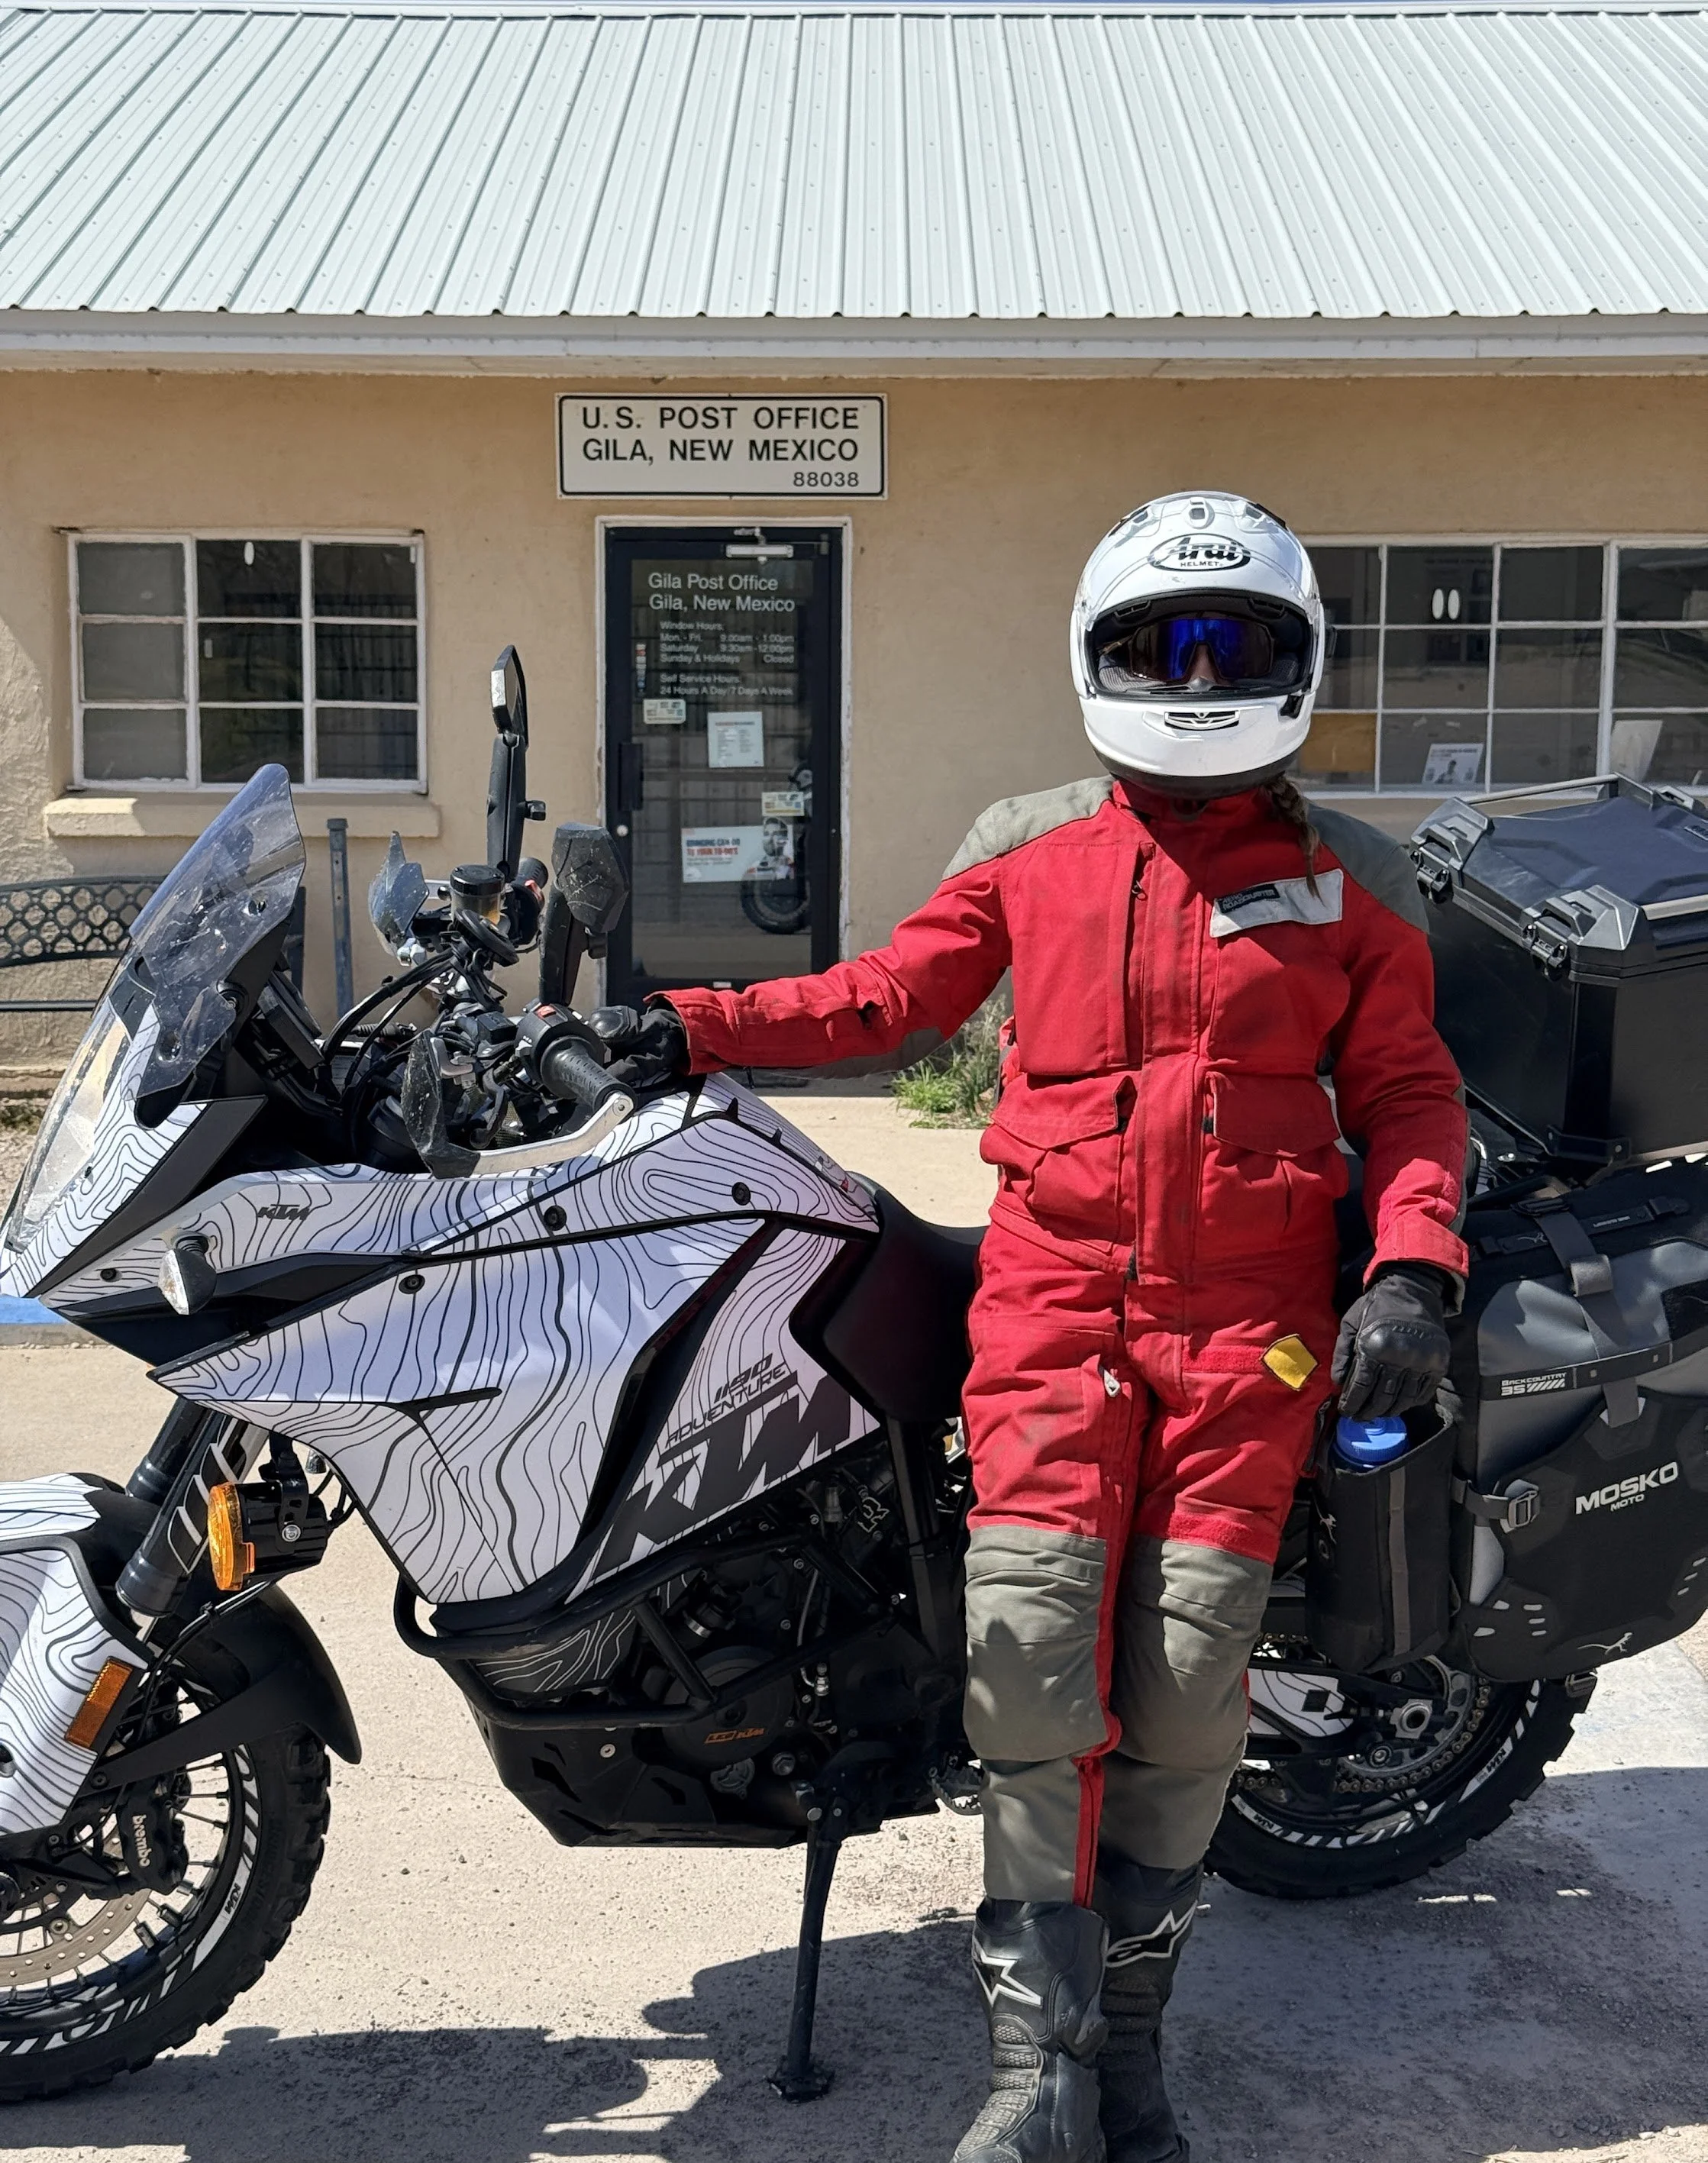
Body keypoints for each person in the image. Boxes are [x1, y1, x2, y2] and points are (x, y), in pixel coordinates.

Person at [591, 493, 1467, 2163]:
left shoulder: (1348, 879)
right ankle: (1033, 2071)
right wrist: (686, 1025)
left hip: (1247, 1341)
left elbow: (1412, 1098)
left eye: (1234, 646)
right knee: (1023, 1669)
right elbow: (884, 995)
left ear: (1297, 665)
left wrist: (1409, 1265)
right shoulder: (1031, 846)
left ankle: (1126, 2056)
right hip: (1053, 1318)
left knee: (1194, 1686)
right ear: (1095, 658)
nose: (1196, 678)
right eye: (1161, 645)